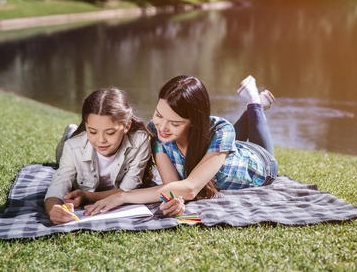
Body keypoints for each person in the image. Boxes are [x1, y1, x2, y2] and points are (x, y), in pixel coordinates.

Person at [83, 75, 278, 217]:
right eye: (159, 115)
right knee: (220, 141)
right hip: (221, 149)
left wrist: (123, 197)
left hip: (260, 163)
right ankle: (257, 103)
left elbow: (190, 188)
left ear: (192, 122)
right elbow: (173, 186)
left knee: (233, 138)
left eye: (174, 123)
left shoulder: (221, 130)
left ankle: (255, 102)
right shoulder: (158, 133)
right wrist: (175, 200)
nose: (163, 128)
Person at [44, 88, 152, 224]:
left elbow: (127, 190)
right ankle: (69, 134)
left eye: (110, 132)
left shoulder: (140, 141)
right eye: (93, 131)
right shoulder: (73, 147)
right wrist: (54, 209)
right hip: (73, 148)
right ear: (86, 126)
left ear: (127, 126)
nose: (101, 140)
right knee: (62, 155)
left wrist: (87, 196)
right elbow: (58, 184)